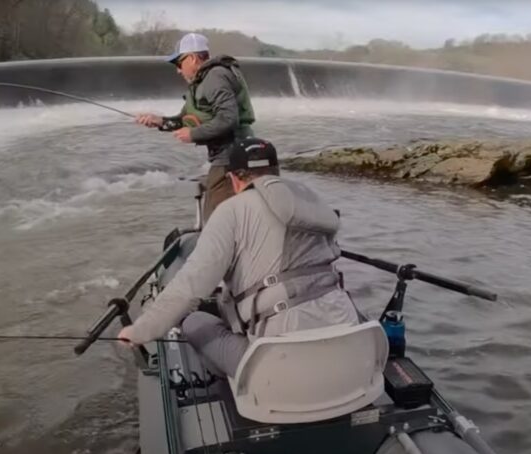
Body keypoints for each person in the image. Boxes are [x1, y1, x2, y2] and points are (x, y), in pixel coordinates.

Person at [118, 138, 360, 377]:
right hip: (348, 345)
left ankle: (226, 383)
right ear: (277, 173)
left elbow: (189, 286)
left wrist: (140, 330)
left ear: (233, 179)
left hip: (280, 367)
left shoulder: (230, 211)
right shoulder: (312, 204)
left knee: (193, 322)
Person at [135, 33, 256, 220]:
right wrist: (159, 121)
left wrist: (194, 134)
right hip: (225, 157)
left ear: (192, 58)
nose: (178, 70)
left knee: (217, 220)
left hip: (231, 158)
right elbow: (184, 119)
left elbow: (228, 118)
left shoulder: (215, 77)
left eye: (178, 63)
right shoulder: (203, 81)